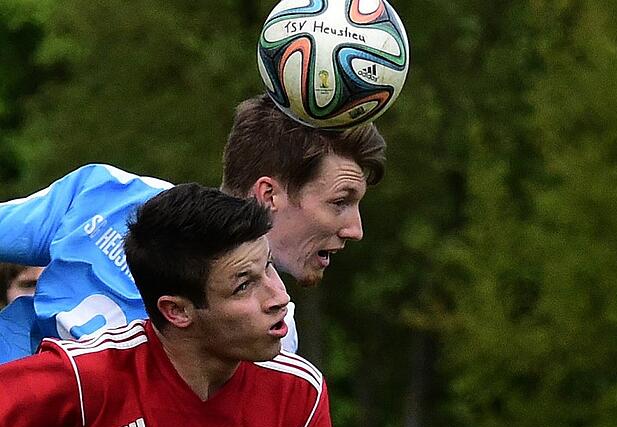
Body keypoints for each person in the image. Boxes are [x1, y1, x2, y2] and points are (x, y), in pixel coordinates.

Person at [0, 93, 386, 361]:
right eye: (340, 202)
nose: (355, 229)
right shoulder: (112, 195)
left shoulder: (274, 328)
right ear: (268, 195)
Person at [0, 183, 331, 427]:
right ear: (177, 311)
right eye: (244, 284)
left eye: (269, 267)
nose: (280, 298)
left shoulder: (299, 393)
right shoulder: (85, 378)